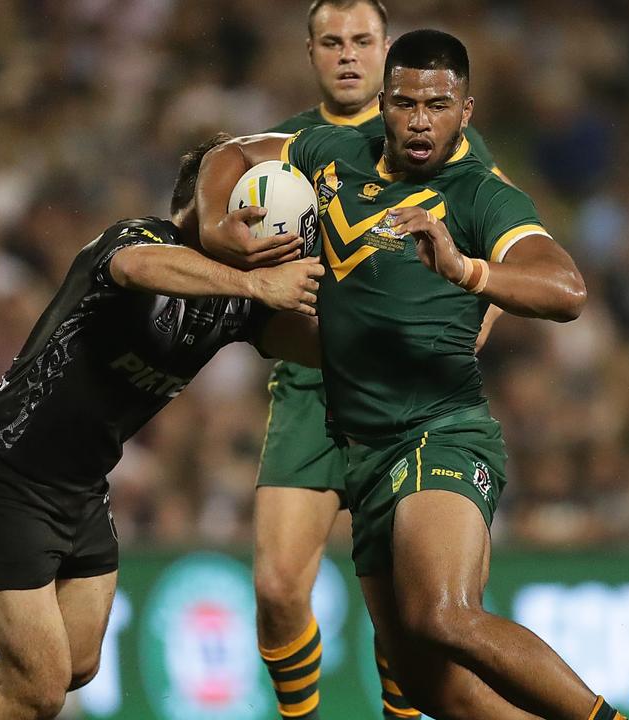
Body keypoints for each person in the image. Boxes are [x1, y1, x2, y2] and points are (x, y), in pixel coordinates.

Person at [198, 29, 626, 720]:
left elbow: (565, 287)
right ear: (383, 104)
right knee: (439, 693)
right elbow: (232, 154)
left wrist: (468, 270)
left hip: (441, 433)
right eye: (403, 103)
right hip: (363, 453)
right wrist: (219, 231)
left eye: (438, 104)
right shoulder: (332, 154)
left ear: (467, 110)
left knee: (445, 614)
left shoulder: (480, 195)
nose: (420, 120)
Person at [0, 135, 323, 720]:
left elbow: (323, 347)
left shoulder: (235, 304)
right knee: (41, 688)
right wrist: (255, 282)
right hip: (5, 474)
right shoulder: (138, 239)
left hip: (80, 490)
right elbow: (136, 268)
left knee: (78, 663)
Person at [251, 3, 505, 717]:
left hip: (407, 388)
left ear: (386, 50)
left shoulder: (444, 137)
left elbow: (508, 235)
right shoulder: (287, 146)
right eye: (331, 42)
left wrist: (476, 318)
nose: (347, 56)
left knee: (406, 609)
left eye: (362, 41)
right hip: (311, 384)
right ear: (309, 52)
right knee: (276, 587)